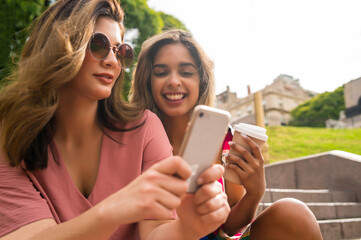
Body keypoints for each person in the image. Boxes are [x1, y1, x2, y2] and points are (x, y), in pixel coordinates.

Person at [0, 1, 231, 239]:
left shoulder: (146, 127)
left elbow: (156, 231)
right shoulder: (13, 139)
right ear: (58, 46)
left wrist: (187, 228)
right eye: (98, 45)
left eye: (120, 51)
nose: (112, 61)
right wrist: (113, 211)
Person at [129, 29, 323, 240]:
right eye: (161, 72)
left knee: (294, 212)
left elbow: (230, 227)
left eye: (186, 72)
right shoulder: (132, 136)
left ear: (201, 81)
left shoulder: (224, 138)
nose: (174, 81)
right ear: (147, 81)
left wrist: (255, 193)